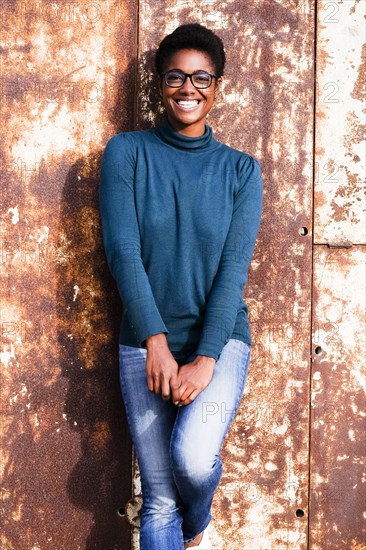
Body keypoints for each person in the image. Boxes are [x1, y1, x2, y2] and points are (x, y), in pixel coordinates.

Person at [99, 23, 263, 550]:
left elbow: (233, 270)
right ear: (159, 83)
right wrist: (155, 342)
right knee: (159, 496)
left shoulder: (241, 170)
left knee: (192, 462)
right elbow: (123, 252)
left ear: (217, 86)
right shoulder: (126, 153)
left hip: (219, 341)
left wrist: (206, 358)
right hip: (145, 342)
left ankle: (198, 523)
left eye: (200, 77)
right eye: (175, 76)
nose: (187, 88)